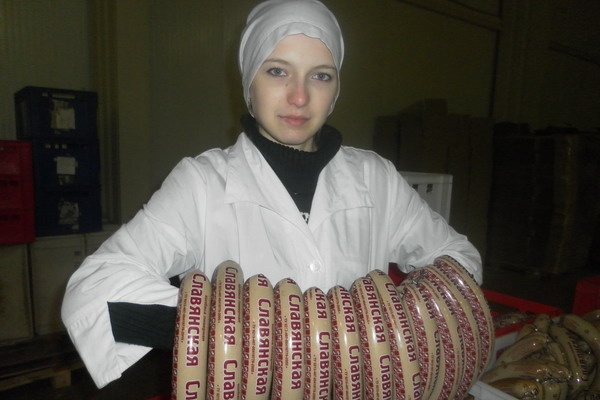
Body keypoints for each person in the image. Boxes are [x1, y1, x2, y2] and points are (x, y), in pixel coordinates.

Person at [62, 0, 482, 389]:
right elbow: (92, 290)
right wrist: (240, 336)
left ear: (335, 90)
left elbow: (459, 261)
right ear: (250, 83)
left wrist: (394, 324)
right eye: (277, 71)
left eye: (321, 75)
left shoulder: (376, 178)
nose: (299, 96)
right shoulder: (202, 183)